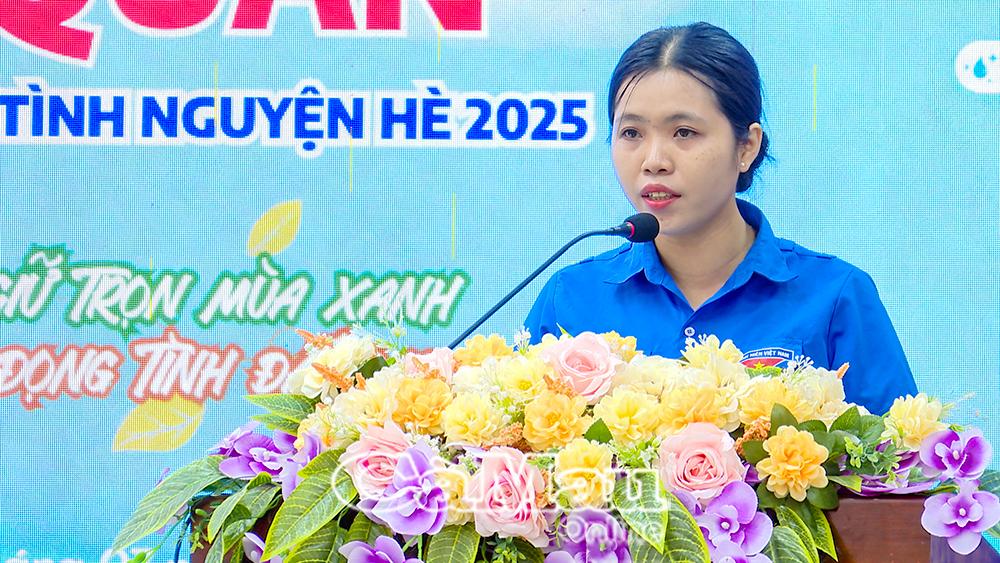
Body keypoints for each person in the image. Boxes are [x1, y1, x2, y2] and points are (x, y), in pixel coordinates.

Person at [524, 22, 917, 415]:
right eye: (631, 133)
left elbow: (899, 452)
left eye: (683, 132)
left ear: (746, 146)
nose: (654, 161)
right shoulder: (571, 299)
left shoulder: (834, 296)